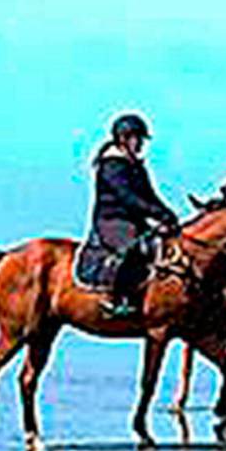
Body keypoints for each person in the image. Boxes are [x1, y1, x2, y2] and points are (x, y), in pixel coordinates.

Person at [79, 113, 179, 318]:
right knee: (131, 248)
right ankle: (113, 298)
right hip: (111, 219)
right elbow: (127, 197)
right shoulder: (112, 165)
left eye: (141, 139)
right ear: (123, 138)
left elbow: (149, 195)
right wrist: (155, 213)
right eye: (137, 138)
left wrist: (167, 213)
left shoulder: (136, 165)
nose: (141, 143)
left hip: (133, 219)